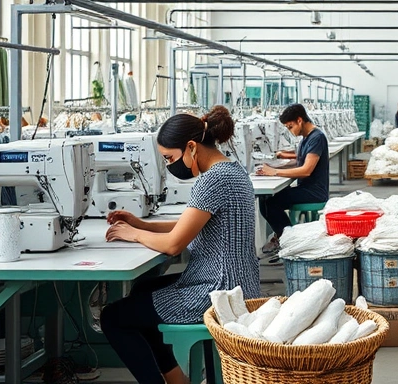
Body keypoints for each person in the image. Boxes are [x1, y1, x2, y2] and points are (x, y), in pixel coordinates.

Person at [102, 106, 258, 384]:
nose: (170, 165)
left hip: (215, 290)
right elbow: (187, 226)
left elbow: (174, 245)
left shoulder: (213, 180)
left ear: (191, 147)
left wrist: (133, 235)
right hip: (236, 282)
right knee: (143, 290)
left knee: (113, 318)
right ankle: (176, 379)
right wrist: (141, 224)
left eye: (170, 158)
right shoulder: (232, 170)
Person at [256, 103, 329, 255]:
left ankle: (290, 241)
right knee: (267, 199)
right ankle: (284, 236)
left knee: (269, 204)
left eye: (290, 127)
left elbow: (306, 170)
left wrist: (275, 171)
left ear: (299, 120)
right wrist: (274, 166)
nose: (290, 131)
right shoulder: (306, 138)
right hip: (307, 189)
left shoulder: (317, 137)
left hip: (314, 192)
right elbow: (299, 160)